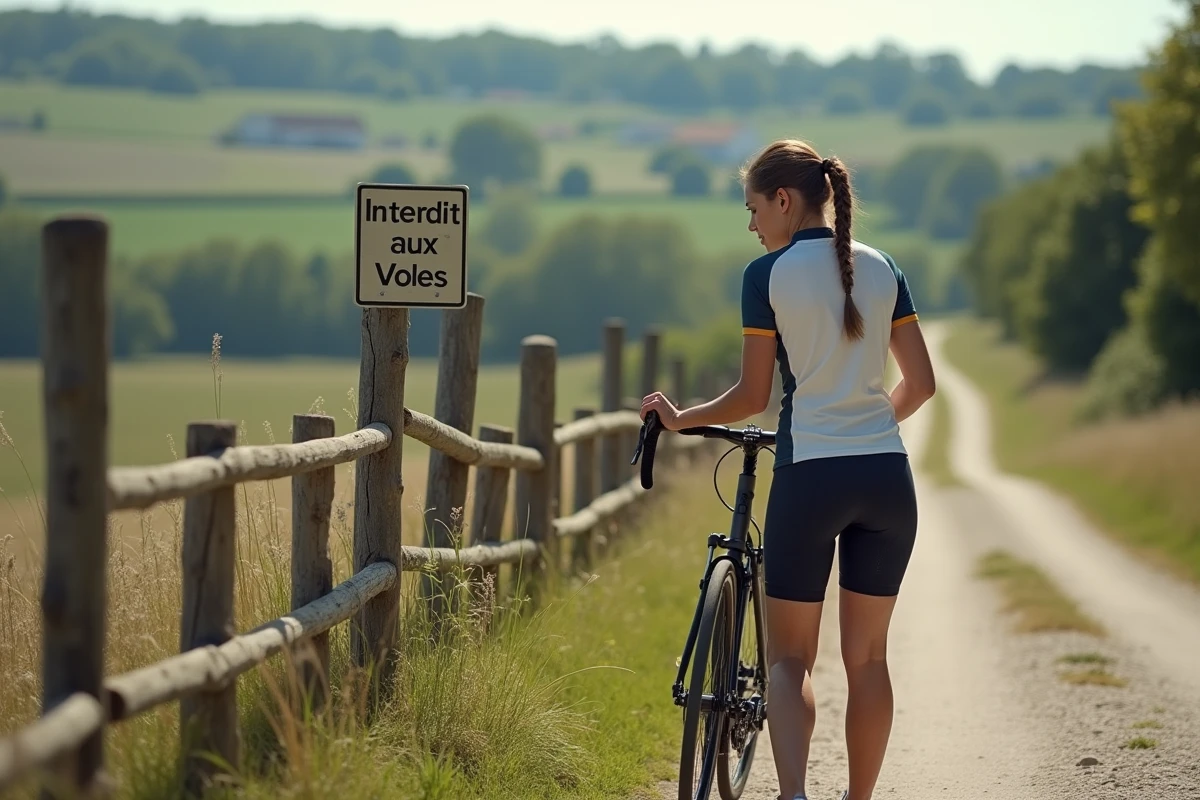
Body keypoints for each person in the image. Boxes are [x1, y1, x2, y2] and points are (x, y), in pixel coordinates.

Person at [640, 139, 936, 800]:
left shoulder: (766, 276)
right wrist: (869, 424)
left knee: (790, 658)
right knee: (869, 660)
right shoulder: (884, 265)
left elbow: (751, 397)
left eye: (752, 209)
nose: (750, 225)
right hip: (887, 478)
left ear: (783, 200)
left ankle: (795, 795)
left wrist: (682, 418)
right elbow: (920, 383)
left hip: (812, 477)